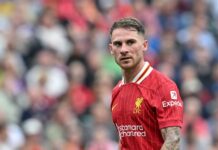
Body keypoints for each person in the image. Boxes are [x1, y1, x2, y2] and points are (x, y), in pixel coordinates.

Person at [109, 17, 183, 149]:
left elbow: (173, 140)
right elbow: (125, 141)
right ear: (111, 49)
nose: (124, 49)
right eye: (118, 44)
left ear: (144, 45)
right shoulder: (116, 91)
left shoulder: (163, 86)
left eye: (130, 42)